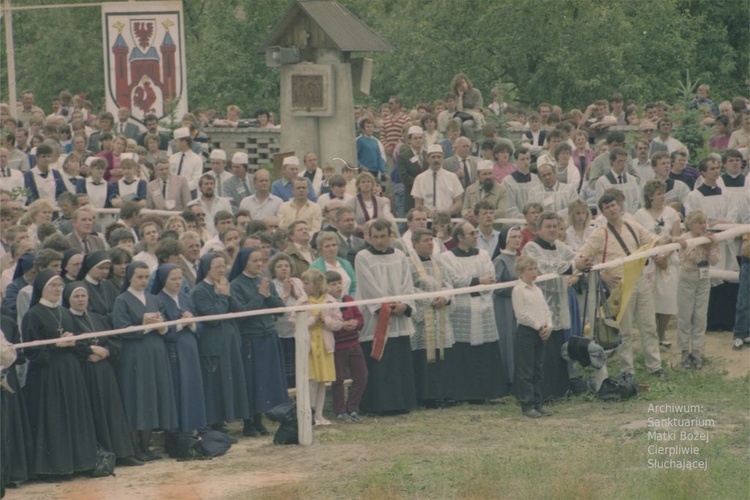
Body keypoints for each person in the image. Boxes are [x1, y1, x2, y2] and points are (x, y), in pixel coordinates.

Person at [578, 192, 669, 378]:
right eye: (607, 207)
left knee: (649, 326)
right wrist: (600, 274)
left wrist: (673, 241)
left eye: (613, 205)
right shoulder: (600, 234)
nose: (611, 209)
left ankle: (655, 366)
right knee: (624, 331)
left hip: (640, 280)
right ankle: (627, 370)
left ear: (619, 205)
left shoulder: (632, 226)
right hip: (619, 286)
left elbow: (653, 240)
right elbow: (584, 254)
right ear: (602, 212)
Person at [22, 269, 99, 476]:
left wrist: (75, 343)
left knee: (74, 416)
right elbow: (31, 351)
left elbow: (80, 342)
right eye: (52, 286)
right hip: (48, 376)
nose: (57, 289)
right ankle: (55, 467)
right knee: (54, 419)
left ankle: (80, 463)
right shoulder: (33, 315)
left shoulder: (64, 312)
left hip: (70, 372)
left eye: (59, 286)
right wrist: (57, 345)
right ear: (42, 289)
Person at [63, 282, 141, 467]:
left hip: (105, 370)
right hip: (86, 371)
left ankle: (123, 453)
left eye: (84, 296)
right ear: (68, 299)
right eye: (76, 296)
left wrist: (106, 351)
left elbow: (114, 339)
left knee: (112, 410)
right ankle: (103, 454)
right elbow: (71, 346)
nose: (81, 299)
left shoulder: (97, 318)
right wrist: (89, 350)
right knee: (94, 412)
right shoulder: (67, 320)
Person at [112, 261, 177, 461]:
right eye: (139, 277)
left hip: (156, 354)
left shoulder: (153, 299)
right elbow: (121, 328)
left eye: (146, 277)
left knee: (151, 398)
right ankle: (134, 449)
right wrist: (145, 324)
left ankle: (146, 447)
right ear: (130, 278)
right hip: (135, 355)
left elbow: (167, 328)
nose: (143, 281)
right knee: (137, 398)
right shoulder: (122, 300)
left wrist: (161, 326)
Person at [522, 213, 591, 399]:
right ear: (538, 229)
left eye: (555, 226)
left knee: (558, 349)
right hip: (539, 304)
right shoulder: (531, 247)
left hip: (559, 305)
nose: (552, 230)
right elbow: (543, 266)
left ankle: (559, 390)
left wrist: (583, 261)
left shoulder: (560, 246)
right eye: (548, 226)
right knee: (542, 353)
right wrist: (574, 265)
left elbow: (574, 257)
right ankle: (541, 393)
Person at [440, 221, 507, 401]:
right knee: (463, 352)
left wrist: (478, 285)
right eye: (471, 233)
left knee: (486, 350)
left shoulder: (483, 254)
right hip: (461, 309)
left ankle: (488, 392)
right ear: (460, 237)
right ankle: (465, 393)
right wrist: (477, 281)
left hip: (483, 305)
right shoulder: (447, 257)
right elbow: (454, 280)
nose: (475, 236)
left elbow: (490, 278)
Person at [354, 219, 417, 414]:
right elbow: (368, 286)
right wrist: (386, 306)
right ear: (369, 237)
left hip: (398, 317)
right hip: (376, 319)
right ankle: (379, 405)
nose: (380, 241)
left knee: (399, 362)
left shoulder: (399, 255)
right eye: (376, 237)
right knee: (379, 363)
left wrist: (404, 305)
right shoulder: (363, 256)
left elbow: (407, 282)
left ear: (390, 236)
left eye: (383, 237)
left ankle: (402, 403)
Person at [229, 247, 288, 436]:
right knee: (251, 380)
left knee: (266, 380)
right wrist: (261, 296)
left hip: (268, 335)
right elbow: (242, 313)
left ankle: (260, 419)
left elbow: (280, 309)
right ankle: (248, 422)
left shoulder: (265, 282)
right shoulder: (236, 284)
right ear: (245, 262)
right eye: (255, 261)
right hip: (250, 337)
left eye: (261, 260)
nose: (259, 264)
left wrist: (268, 295)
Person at [190, 252, 250, 432]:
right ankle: (214, 423)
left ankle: (225, 419)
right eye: (217, 267)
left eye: (223, 266)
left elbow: (239, 310)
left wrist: (228, 294)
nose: (221, 270)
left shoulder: (225, 285)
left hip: (230, 343)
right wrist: (222, 296)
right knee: (214, 385)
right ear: (207, 269)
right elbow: (212, 318)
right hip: (213, 345)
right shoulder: (200, 290)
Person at [152, 264, 207, 435]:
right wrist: (181, 324)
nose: (177, 282)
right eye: (173, 279)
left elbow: (200, 324)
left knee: (192, 386)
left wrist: (192, 323)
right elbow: (164, 332)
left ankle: (194, 427)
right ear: (163, 280)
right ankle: (178, 432)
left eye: (179, 278)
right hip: (174, 350)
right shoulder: (158, 300)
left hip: (190, 348)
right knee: (177, 388)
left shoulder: (185, 298)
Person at [407, 229, 455, 406]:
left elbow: (448, 285)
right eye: (426, 240)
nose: (430, 244)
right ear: (414, 243)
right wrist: (429, 299)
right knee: (423, 358)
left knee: (441, 355)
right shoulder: (408, 264)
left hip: (440, 316)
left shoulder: (439, 263)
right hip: (422, 319)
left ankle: (442, 393)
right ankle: (426, 396)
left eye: (431, 240)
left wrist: (445, 297)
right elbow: (408, 288)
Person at [634, 180, 682, 349]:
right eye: (659, 193)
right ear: (650, 196)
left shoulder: (671, 213)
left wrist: (665, 256)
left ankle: (662, 334)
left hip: (668, 261)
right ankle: (651, 335)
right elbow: (639, 239)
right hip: (650, 262)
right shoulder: (640, 214)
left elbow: (676, 237)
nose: (663, 196)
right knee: (650, 300)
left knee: (667, 299)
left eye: (664, 193)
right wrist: (655, 256)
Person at [291, 269, 342, 425]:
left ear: (317, 284)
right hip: (309, 346)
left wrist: (325, 320)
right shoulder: (301, 301)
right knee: (311, 380)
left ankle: (319, 415)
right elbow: (294, 322)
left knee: (321, 381)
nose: (303, 286)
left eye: (307, 283)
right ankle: (310, 414)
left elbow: (338, 323)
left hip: (325, 344)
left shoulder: (330, 301)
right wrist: (313, 320)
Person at [677, 210, 720, 369]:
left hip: (704, 277)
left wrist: (712, 245)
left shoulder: (709, 238)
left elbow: (715, 261)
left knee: (700, 316)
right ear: (690, 224)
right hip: (688, 277)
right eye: (699, 222)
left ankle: (696, 351)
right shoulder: (685, 238)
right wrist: (703, 243)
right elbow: (691, 256)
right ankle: (683, 351)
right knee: (685, 315)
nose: (703, 225)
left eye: (704, 222)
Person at [511, 256, 553, 418]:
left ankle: (537, 403)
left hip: (540, 332)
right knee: (525, 370)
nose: (534, 272)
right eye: (530, 269)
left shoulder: (538, 290)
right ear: (521, 272)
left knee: (538, 369)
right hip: (527, 332)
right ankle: (527, 405)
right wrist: (538, 326)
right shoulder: (518, 290)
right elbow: (522, 314)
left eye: (535, 269)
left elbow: (545, 309)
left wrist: (549, 325)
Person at [325, 270, 367, 422]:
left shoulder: (348, 299)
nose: (337, 286)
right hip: (338, 347)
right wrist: (343, 325)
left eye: (339, 283)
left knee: (361, 376)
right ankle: (340, 410)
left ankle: (353, 407)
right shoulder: (327, 303)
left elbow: (360, 317)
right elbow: (328, 324)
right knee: (338, 380)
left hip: (354, 344)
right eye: (333, 284)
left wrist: (356, 323)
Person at [269, 252, 304, 388]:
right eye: (279, 266)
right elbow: (275, 308)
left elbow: (305, 302)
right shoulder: (272, 285)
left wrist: (294, 293)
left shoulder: (298, 282)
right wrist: (286, 293)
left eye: (286, 266)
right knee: (285, 367)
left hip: (297, 331)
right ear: (273, 269)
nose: (284, 268)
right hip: (281, 332)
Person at [492, 226, 522, 384]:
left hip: (519, 305)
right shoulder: (500, 260)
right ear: (505, 240)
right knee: (507, 339)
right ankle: (508, 379)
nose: (517, 239)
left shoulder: (520, 259)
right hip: (505, 306)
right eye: (514, 237)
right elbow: (495, 287)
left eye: (519, 236)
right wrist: (516, 288)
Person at [75, 250, 119, 326]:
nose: (105, 271)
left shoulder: (110, 285)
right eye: (101, 268)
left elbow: (119, 308)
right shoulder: (81, 287)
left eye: (107, 268)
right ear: (90, 267)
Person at [461, 159, 509, 224]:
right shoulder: (470, 189)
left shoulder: (501, 190)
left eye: (490, 173)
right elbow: (464, 209)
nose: (488, 176)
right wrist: (467, 214)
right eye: (484, 174)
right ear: (478, 176)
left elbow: (502, 211)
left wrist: (480, 215)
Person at [310, 231, 357, 296]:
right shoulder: (315, 267)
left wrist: (350, 300)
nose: (331, 248)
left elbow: (354, 286)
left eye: (334, 245)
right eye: (327, 246)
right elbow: (316, 290)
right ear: (320, 249)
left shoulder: (346, 263)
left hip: (349, 303)